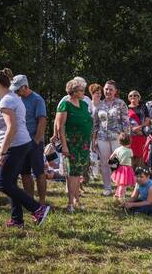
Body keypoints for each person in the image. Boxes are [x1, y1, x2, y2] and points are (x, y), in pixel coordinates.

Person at [0, 69, 50, 227]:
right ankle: (17, 219)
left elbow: (11, 127)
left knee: (4, 184)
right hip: (22, 143)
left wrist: (2, 152)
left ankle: (37, 209)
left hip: (15, 145)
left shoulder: (6, 101)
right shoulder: (13, 97)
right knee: (11, 183)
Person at [56, 79, 93, 212]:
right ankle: (70, 203)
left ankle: (77, 200)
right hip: (71, 144)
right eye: (82, 90)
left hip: (83, 145)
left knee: (78, 174)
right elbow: (60, 127)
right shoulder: (65, 105)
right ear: (74, 92)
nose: (84, 92)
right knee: (72, 174)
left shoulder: (83, 104)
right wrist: (64, 146)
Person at [10, 74, 47, 205]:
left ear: (25, 87)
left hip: (34, 141)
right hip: (21, 141)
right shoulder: (17, 98)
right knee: (24, 172)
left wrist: (36, 140)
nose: (16, 92)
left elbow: (42, 121)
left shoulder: (37, 99)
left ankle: (42, 202)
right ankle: (30, 200)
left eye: (17, 89)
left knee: (39, 172)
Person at [93, 80, 129, 196]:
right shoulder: (99, 104)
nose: (108, 91)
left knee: (118, 162)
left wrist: (126, 138)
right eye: (106, 89)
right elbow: (95, 124)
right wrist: (94, 139)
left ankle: (120, 188)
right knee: (105, 163)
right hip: (102, 138)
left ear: (115, 91)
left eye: (111, 89)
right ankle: (107, 188)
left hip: (117, 137)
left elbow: (126, 122)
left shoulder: (120, 103)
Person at [110, 133, 136, 202]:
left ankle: (116, 195)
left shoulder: (117, 149)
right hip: (126, 169)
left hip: (119, 168)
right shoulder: (130, 151)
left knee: (120, 184)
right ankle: (121, 197)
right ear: (130, 141)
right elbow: (131, 158)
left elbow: (111, 158)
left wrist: (114, 165)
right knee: (123, 185)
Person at [127, 90, 150, 168]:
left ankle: (140, 176)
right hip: (130, 135)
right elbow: (124, 122)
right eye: (131, 96)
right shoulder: (125, 108)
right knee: (131, 155)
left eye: (135, 95)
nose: (133, 97)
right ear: (128, 98)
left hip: (141, 134)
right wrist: (132, 129)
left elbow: (147, 121)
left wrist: (139, 127)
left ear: (139, 97)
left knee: (141, 156)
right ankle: (131, 175)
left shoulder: (143, 107)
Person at [88, 83, 103, 180]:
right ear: (92, 93)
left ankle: (99, 174)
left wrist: (96, 137)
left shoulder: (103, 105)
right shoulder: (88, 104)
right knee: (91, 153)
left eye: (100, 93)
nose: (99, 94)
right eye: (96, 93)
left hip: (100, 133)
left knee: (100, 154)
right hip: (88, 132)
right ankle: (92, 175)